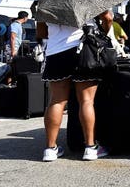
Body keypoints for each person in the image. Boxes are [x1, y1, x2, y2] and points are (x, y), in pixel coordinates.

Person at [41, 19, 108, 162]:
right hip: (83, 49)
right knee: (86, 101)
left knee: (56, 101)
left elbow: (41, 32)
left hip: (55, 52)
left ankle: (50, 149)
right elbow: (108, 17)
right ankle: (90, 147)